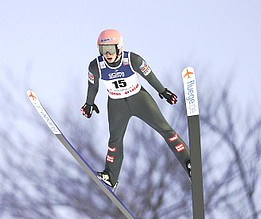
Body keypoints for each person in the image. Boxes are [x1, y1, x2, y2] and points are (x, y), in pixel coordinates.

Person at [81, 29, 191, 191]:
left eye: (111, 49)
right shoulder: (95, 66)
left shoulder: (132, 59)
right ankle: (111, 176)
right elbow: (93, 86)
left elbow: (149, 76)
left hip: (139, 99)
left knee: (165, 130)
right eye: (103, 50)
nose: (107, 54)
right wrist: (89, 103)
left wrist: (163, 91)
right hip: (116, 104)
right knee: (114, 141)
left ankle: (189, 162)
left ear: (119, 47)